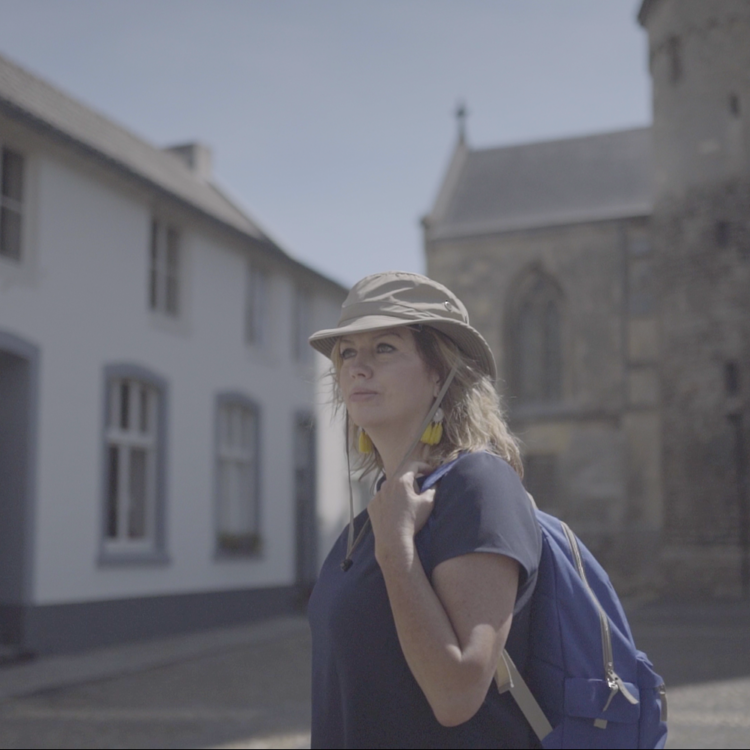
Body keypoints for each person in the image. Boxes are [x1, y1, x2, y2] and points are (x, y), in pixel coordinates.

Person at [307, 271, 542, 749]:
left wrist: (396, 548)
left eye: (385, 347)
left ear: (441, 371)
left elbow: (457, 693)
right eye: (347, 352)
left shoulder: (477, 486)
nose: (357, 366)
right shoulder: (380, 503)